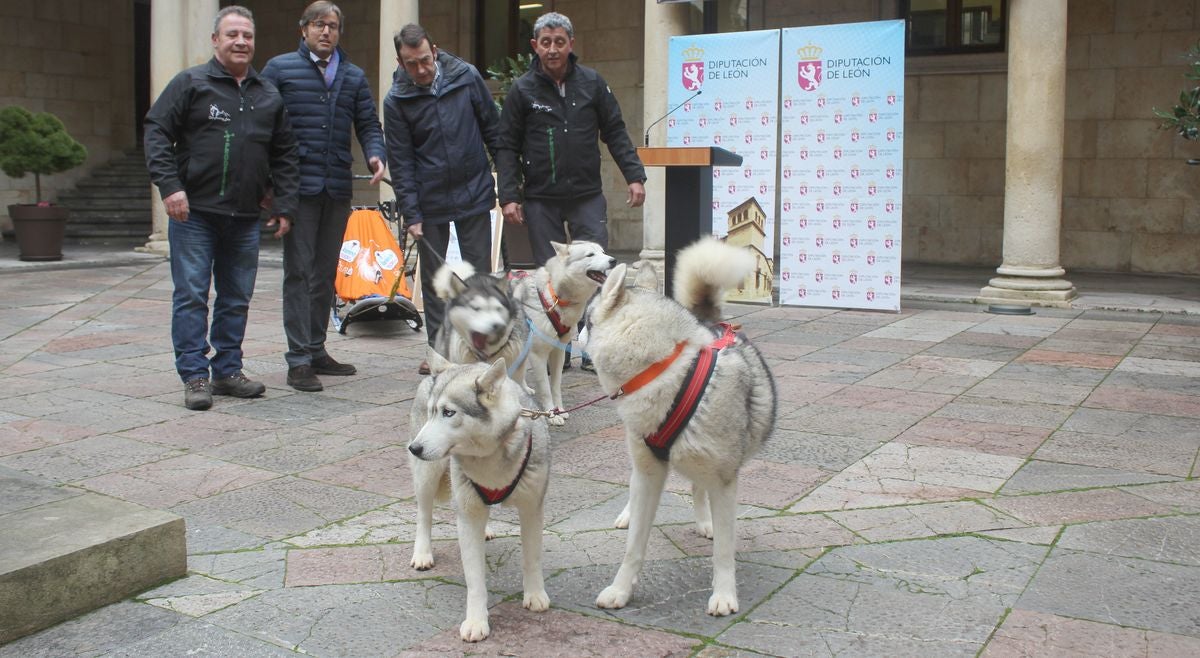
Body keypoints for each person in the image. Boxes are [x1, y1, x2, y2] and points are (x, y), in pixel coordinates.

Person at [144, 5, 299, 411]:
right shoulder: (191, 83)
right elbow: (157, 129)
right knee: (193, 295)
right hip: (193, 213)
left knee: (236, 298)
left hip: (245, 217)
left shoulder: (268, 94)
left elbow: (285, 153)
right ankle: (195, 375)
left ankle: (228, 370)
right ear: (215, 40)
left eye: (247, 35)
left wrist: (282, 202)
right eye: (232, 34)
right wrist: (170, 186)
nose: (240, 42)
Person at [495, 11, 646, 371]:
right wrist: (509, 195)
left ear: (571, 44)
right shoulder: (522, 90)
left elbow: (615, 131)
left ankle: (592, 345)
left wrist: (634, 176)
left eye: (559, 42)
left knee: (596, 273)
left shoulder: (592, 83)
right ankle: (554, 347)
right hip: (540, 198)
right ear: (535, 46)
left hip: (586, 195)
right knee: (551, 279)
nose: (552, 49)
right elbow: (506, 145)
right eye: (545, 43)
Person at [261, 1, 387, 392]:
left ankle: (316, 349)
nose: (325, 32)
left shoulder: (351, 75)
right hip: (297, 189)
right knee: (298, 274)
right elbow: (261, 123)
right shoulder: (280, 70)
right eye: (318, 25)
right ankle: (297, 359)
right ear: (304, 29)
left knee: (323, 274)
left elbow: (367, 122)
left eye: (332, 26)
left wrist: (375, 153)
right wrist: (267, 183)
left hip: (335, 187)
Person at [383, 23, 502, 375]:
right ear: (400, 62)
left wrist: (509, 187)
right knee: (437, 283)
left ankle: (483, 346)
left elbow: (492, 130)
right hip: (429, 200)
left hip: (474, 192)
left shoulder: (466, 77)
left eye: (424, 60)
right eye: (411, 64)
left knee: (479, 278)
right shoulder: (396, 100)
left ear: (434, 50)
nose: (420, 70)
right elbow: (401, 161)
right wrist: (412, 213)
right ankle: (439, 351)